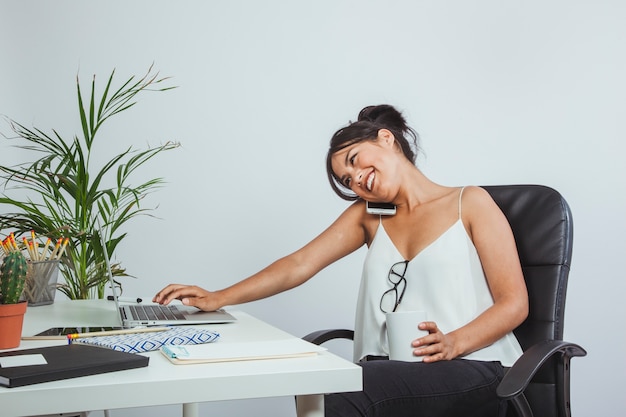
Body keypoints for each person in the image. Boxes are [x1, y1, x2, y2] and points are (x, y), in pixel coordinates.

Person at [153, 104, 528, 417]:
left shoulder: (470, 203)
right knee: (327, 384)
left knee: (346, 391)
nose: (357, 180)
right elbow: (299, 264)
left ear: (386, 139)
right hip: (392, 369)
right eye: (347, 180)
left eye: (354, 161)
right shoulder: (369, 215)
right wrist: (219, 297)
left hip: (480, 368)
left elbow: (515, 303)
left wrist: (454, 343)